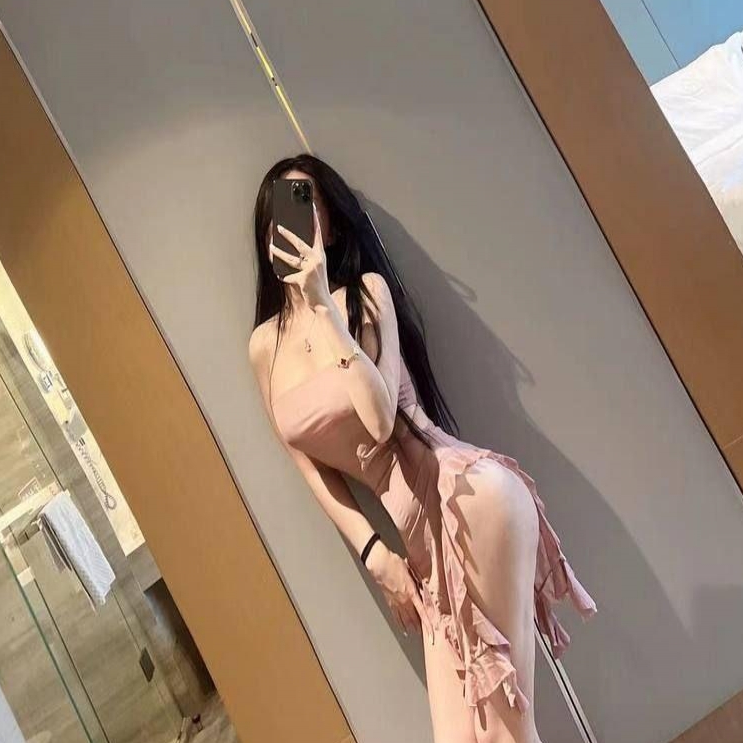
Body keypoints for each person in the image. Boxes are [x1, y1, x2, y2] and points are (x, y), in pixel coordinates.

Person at [248, 154, 595, 743]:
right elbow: (306, 464)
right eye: (279, 213)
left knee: (507, 730)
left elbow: (381, 419)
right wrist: (373, 553)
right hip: (419, 551)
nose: (294, 224)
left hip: (469, 502)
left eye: (308, 205)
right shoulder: (265, 348)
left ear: (330, 224)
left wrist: (325, 308)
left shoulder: (365, 295)